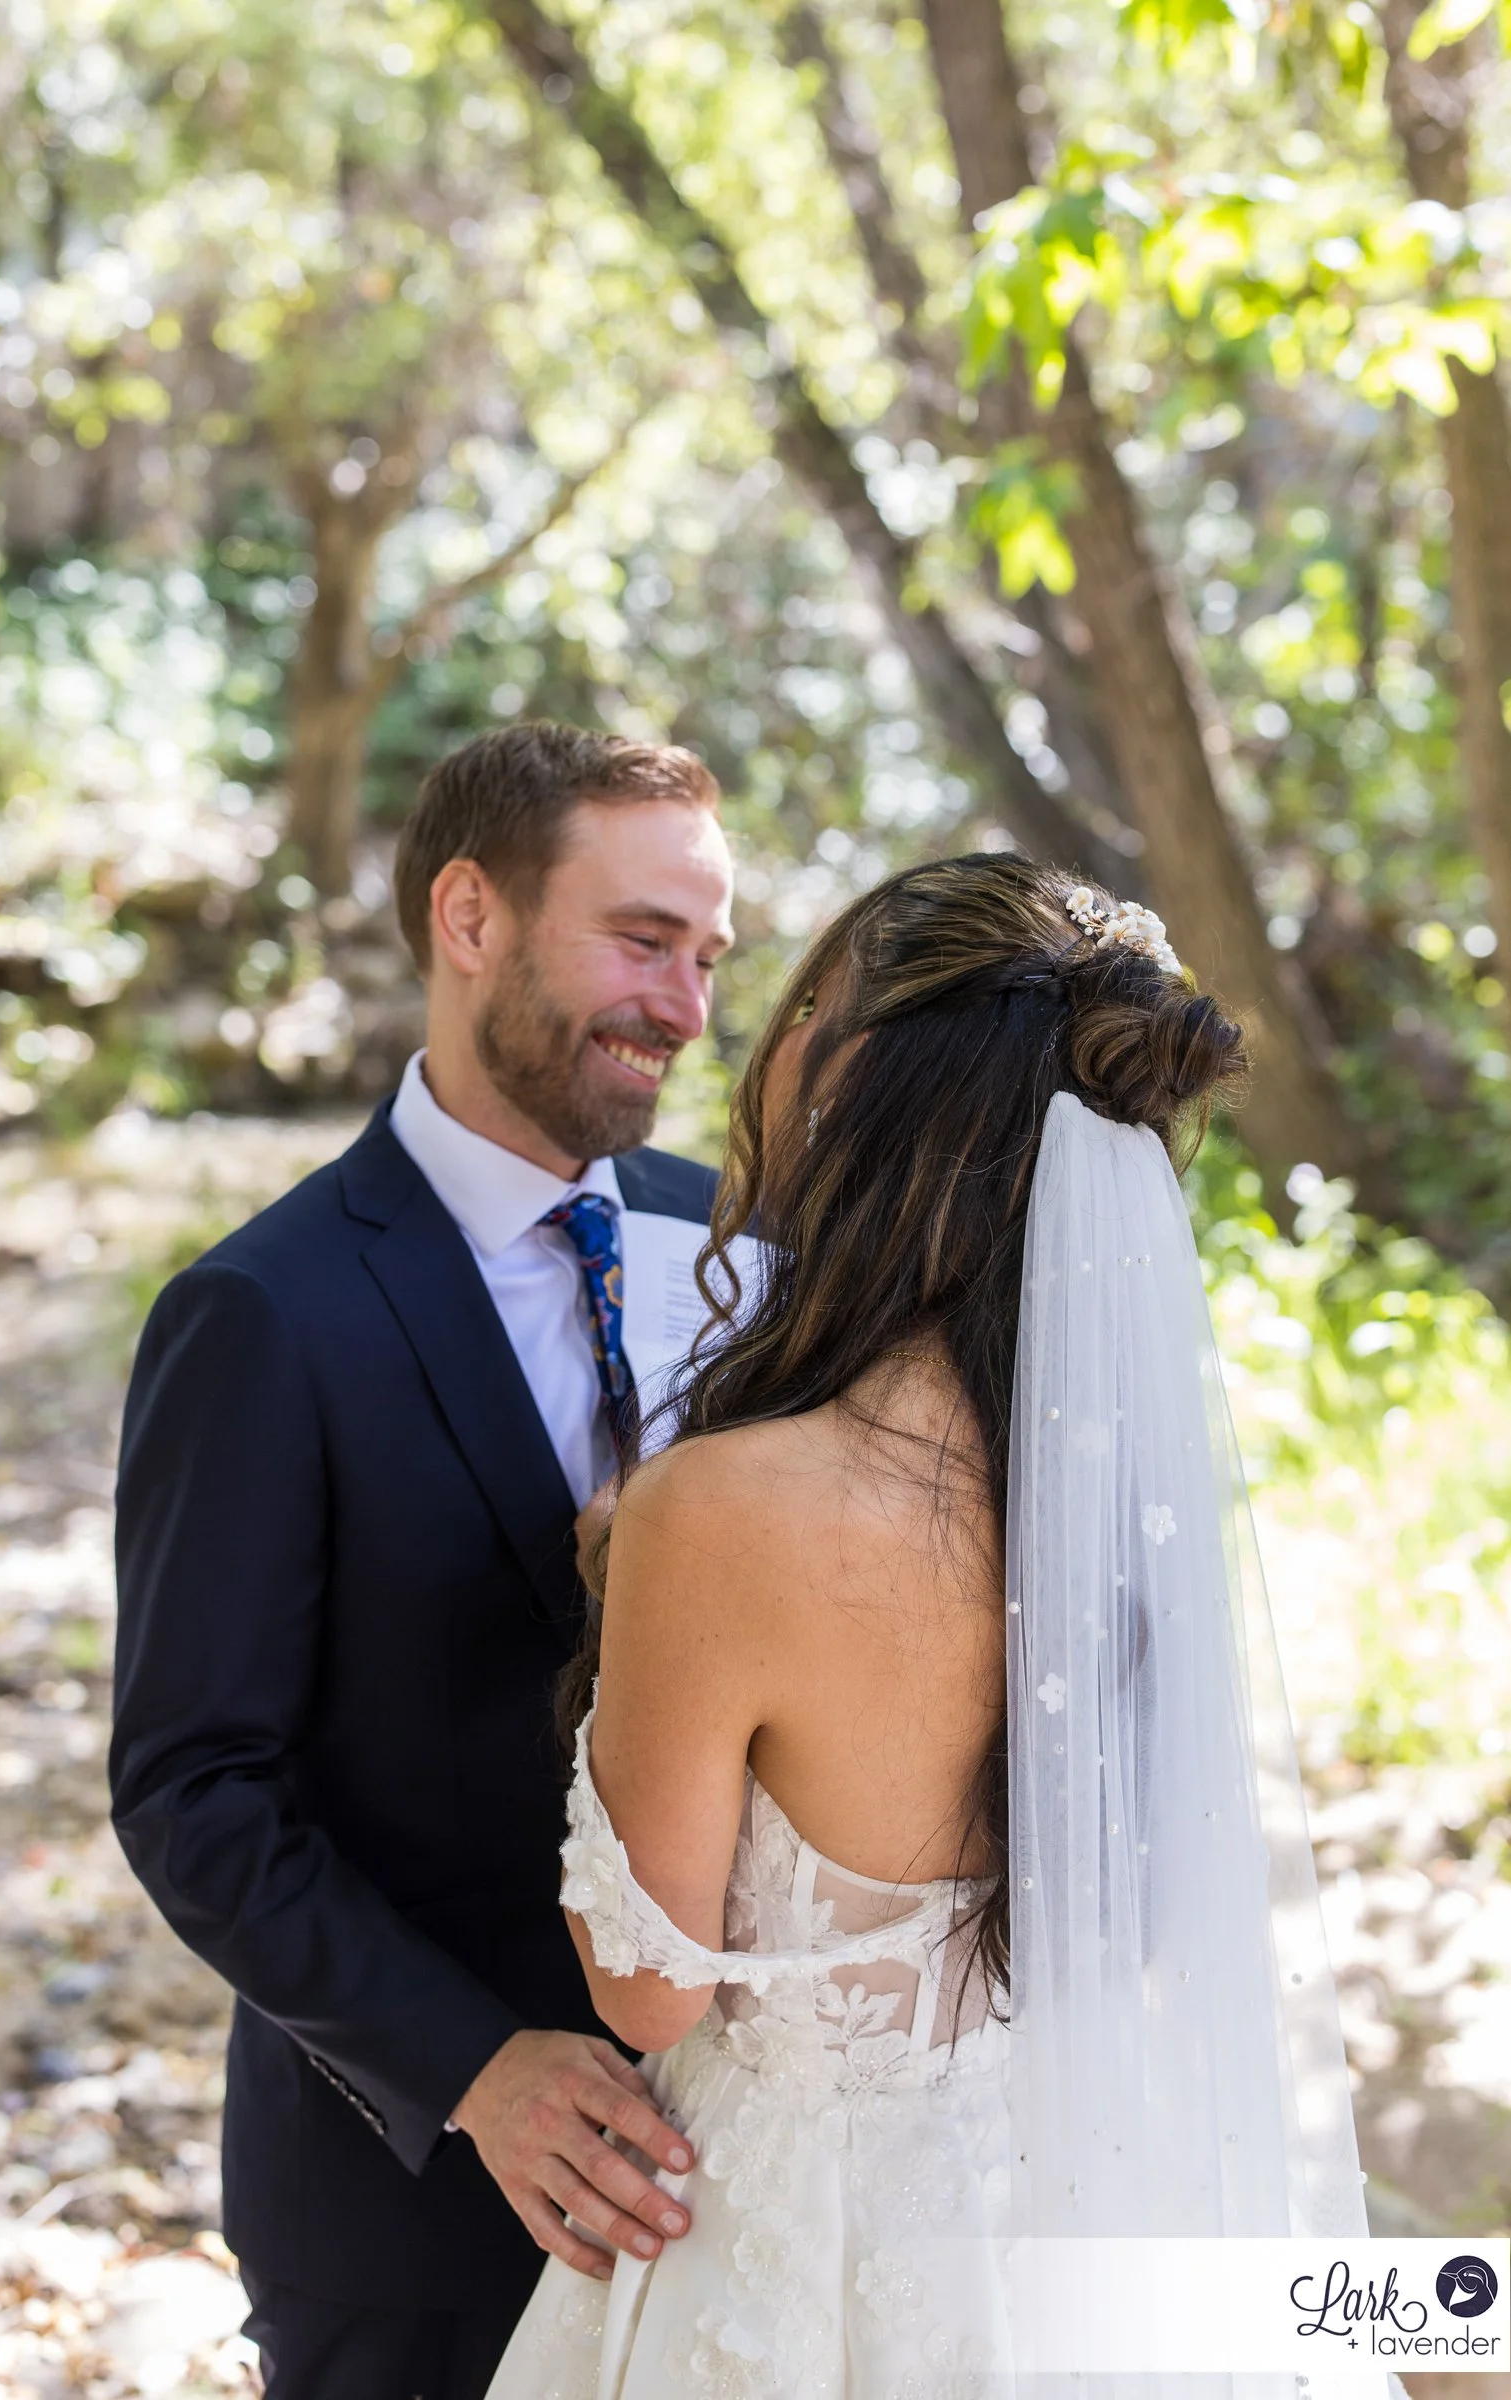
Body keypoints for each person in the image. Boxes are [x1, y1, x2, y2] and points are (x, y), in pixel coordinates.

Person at [487, 853, 1387, 2400]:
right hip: (1076, 2190)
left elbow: (647, 1989)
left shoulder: (717, 1513)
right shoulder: (1116, 1480)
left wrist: (627, 1598)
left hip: (793, 2240)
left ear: (847, 1066)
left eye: (796, 1001)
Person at [110, 724, 736, 2399]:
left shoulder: (748, 1235)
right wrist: (475, 2070)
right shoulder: (262, 1315)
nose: (682, 1009)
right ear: (471, 917)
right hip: (408, 2213)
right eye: (640, 943)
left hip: (740, 2177)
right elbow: (194, 1791)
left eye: (704, 958)